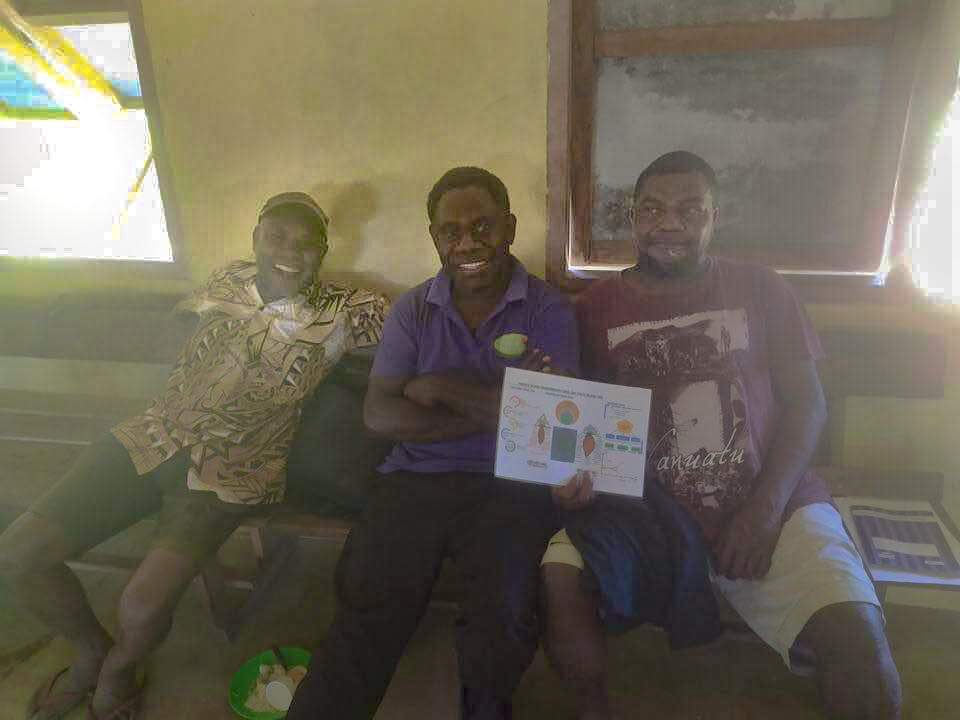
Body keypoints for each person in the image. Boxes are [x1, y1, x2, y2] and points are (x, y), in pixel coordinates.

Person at [0, 192, 388, 720]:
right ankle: (91, 651)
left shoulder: (349, 309)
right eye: (276, 236)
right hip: (150, 436)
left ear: (322, 252)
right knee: (18, 554)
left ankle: (118, 672)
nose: (289, 252)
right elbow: (179, 331)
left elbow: (414, 337)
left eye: (306, 244)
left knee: (141, 605)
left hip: (233, 467)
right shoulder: (226, 279)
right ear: (255, 238)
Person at [542, 151, 902, 720]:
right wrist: (572, 481)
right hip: (645, 510)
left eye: (690, 210)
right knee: (560, 579)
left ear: (716, 217)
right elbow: (579, 420)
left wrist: (765, 509)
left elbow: (808, 404)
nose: (669, 224)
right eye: (652, 210)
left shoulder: (763, 289)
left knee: (858, 637)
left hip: (770, 498)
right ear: (632, 218)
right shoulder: (591, 309)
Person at [287, 167, 580, 720]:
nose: (467, 243)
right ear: (435, 238)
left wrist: (438, 389)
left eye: (483, 226)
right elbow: (379, 415)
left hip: (510, 483)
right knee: (366, 602)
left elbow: (555, 422)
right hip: (413, 480)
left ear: (510, 228)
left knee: (503, 615)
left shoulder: (549, 311)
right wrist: (501, 406)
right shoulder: (414, 310)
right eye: (451, 231)